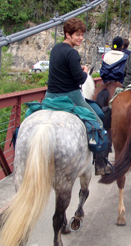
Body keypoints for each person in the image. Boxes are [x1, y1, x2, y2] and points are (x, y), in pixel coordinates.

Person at [45, 18, 110, 176]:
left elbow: (61, 70)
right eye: (77, 35)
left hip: (50, 96)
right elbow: (81, 80)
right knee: (99, 121)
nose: (80, 38)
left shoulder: (55, 49)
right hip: (71, 96)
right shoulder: (72, 53)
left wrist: (76, 69)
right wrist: (85, 71)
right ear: (68, 34)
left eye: (82, 35)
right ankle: (100, 164)